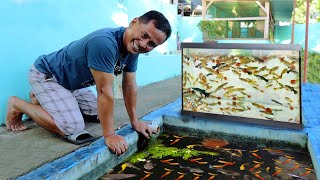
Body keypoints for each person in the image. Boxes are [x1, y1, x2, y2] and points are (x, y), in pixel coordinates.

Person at [5, 10, 171, 155]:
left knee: (98, 113)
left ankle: (41, 97)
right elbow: (104, 92)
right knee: (72, 127)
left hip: (71, 84)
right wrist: (109, 135)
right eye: (144, 36)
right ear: (134, 22)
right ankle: (18, 105)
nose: (143, 44)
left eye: (151, 44)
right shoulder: (105, 43)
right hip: (47, 75)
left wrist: (135, 122)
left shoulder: (132, 49)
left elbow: (129, 85)